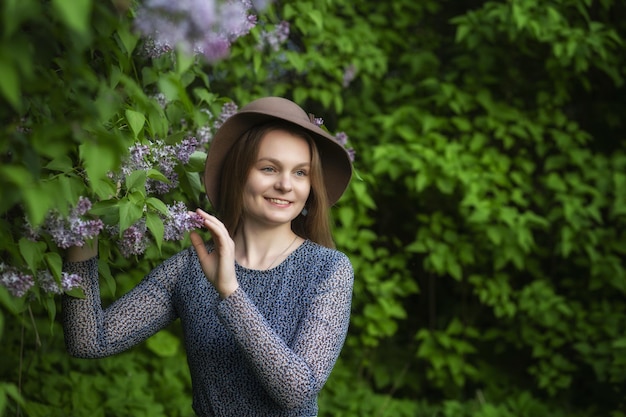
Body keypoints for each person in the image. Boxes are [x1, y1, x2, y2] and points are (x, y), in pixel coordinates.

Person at [62, 96, 354, 417]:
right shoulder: (190, 268)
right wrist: (81, 229)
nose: (285, 184)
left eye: (301, 173)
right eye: (269, 168)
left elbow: (297, 390)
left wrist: (230, 292)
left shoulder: (328, 270)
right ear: (238, 173)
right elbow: (90, 341)